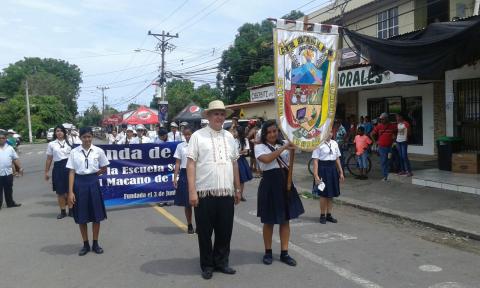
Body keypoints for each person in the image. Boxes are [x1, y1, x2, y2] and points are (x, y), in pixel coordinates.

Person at [186, 100, 241, 280]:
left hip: (226, 192)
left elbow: (234, 163)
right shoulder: (197, 136)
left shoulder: (229, 137)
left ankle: (221, 262)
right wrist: (192, 191)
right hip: (204, 193)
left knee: (225, 231)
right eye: (215, 113)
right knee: (205, 232)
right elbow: (191, 164)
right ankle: (207, 265)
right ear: (208, 116)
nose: (219, 117)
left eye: (222, 114)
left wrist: (238, 188)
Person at [255, 120, 304, 266]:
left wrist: (292, 149)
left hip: (284, 184)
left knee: (285, 220)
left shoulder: (284, 144)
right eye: (268, 132)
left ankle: (284, 252)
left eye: (274, 131)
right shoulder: (260, 147)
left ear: (278, 131)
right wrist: (284, 147)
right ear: (264, 134)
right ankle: (268, 252)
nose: (272, 134)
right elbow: (267, 159)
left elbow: (289, 164)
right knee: (269, 221)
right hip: (269, 185)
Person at [67, 127, 110, 256]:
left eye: (89, 136)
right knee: (82, 216)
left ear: (92, 137)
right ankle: (85, 244)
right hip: (79, 184)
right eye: (84, 137)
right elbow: (71, 172)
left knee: (96, 216)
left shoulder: (99, 151)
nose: (87, 139)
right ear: (80, 138)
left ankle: (95, 243)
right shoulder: (74, 152)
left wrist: (96, 173)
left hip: (93, 183)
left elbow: (104, 168)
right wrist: (70, 192)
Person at [311, 132, 344, 224]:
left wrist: (341, 172)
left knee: (331, 194)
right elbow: (316, 161)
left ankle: (329, 215)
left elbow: (337, 159)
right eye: (327, 132)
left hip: (333, 169)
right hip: (323, 169)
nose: (329, 134)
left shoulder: (334, 143)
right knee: (323, 193)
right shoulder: (318, 144)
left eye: (331, 132)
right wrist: (316, 175)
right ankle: (322, 215)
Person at [45, 125, 73, 219]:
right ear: (55, 133)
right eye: (57, 131)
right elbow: (49, 159)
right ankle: (63, 211)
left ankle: (71, 210)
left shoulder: (70, 142)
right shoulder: (51, 144)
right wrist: (46, 172)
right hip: (58, 168)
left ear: (64, 132)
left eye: (61, 131)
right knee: (60, 192)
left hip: (70, 168)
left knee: (70, 190)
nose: (59, 132)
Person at [173, 126, 195, 234]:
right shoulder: (180, 146)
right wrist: (175, 177)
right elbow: (177, 163)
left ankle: (200, 225)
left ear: (193, 134)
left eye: (189, 134)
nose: (187, 136)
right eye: (185, 134)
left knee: (199, 202)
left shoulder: (198, 145)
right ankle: (190, 224)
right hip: (184, 173)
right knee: (187, 202)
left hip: (197, 173)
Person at [371, 113, 397, 181]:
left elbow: (396, 133)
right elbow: (372, 134)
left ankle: (389, 174)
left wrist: (394, 140)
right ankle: (385, 176)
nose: (381, 120)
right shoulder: (379, 126)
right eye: (381, 119)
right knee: (383, 161)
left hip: (390, 147)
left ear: (386, 118)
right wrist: (375, 142)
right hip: (382, 147)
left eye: (382, 119)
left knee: (390, 160)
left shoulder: (392, 126)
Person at [0, 132, 23, 209]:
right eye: (0, 138)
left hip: (8, 172)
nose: (1, 139)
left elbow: (15, 159)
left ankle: (10, 203)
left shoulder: (10, 148)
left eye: (3, 138)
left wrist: (20, 168)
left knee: (9, 189)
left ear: (6, 139)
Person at [233, 126, 253, 201]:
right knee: (235, 178)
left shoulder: (245, 140)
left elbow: (246, 151)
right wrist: (240, 152)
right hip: (235, 159)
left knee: (242, 178)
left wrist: (238, 152)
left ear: (239, 132)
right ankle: (236, 194)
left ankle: (240, 195)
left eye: (236, 131)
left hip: (241, 159)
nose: (234, 133)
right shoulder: (233, 140)